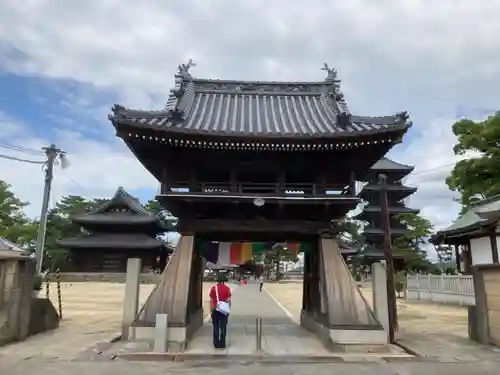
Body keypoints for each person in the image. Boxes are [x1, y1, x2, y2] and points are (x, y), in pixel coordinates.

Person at [209, 274, 231, 349]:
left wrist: (211, 310)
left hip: (215, 308)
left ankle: (216, 343)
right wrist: (228, 310)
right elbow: (228, 300)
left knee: (216, 326)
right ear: (224, 281)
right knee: (223, 326)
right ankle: (222, 343)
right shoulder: (227, 288)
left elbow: (211, 300)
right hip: (224, 310)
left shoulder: (213, 288)